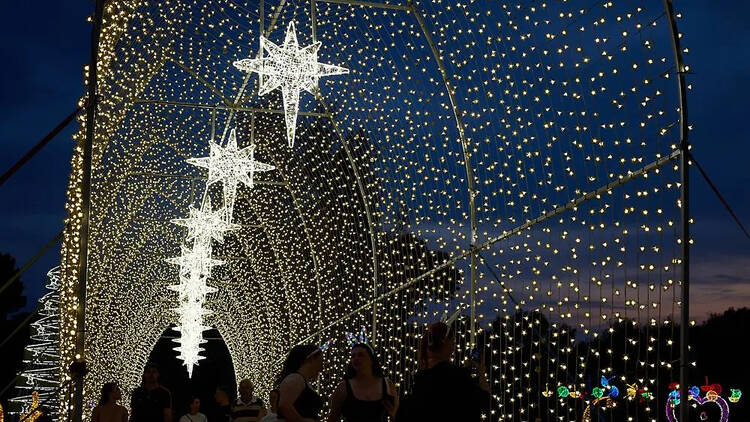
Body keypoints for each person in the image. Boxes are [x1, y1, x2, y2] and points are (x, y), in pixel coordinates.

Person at [395, 322, 490, 422]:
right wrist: (481, 372)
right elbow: (484, 401)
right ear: (445, 342)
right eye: (452, 339)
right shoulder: (456, 377)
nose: (454, 343)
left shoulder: (420, 379)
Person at [327, 343, 398, 422]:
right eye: (353, 356)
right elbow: (333, 417)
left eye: (361, 355)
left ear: (371, 359)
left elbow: (396, 414)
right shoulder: (343, 387)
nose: (356, 358)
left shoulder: (387, 385)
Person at [276, 344, 324, 422]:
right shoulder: (296, 379)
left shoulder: (301, 380)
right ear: (311, 359)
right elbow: (284, 406)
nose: (321, 367)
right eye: (320, 361)